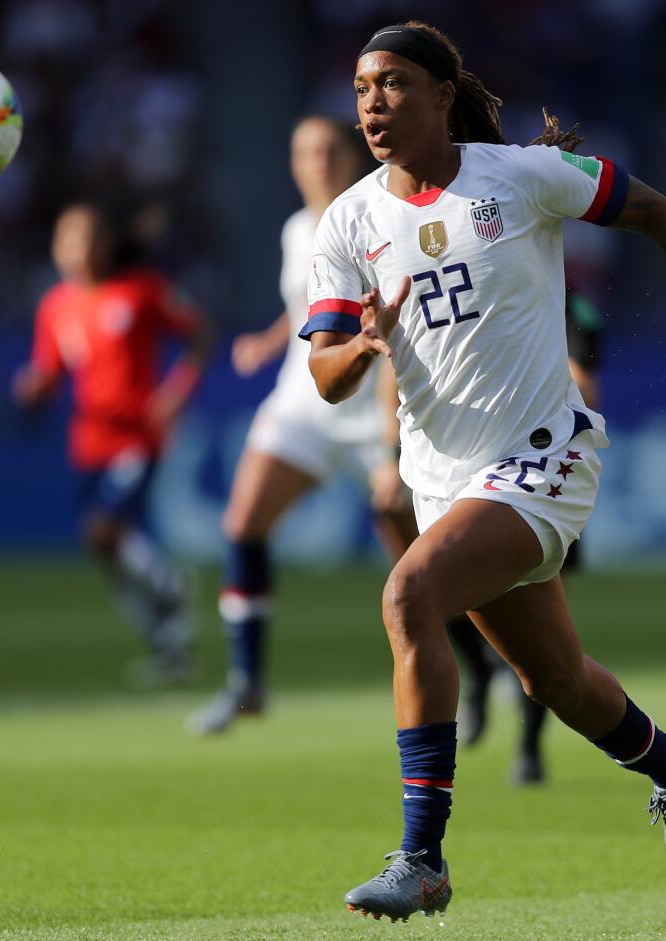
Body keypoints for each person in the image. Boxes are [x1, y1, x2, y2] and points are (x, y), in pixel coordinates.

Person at [301, 22, 666, 921]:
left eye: (390, 84)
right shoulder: (349, 221)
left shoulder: (522, 178)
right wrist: (366, 346)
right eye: (360, 88)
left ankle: (422, 856)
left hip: (544, 456)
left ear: (440, 94)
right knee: (557, 681)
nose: (372, 103)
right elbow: (325, 372)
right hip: (441, 479)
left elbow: (660, 213)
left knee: (406, 594)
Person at [189, 116, 422, 734]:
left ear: (350, 158)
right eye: (304, 152)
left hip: (376, 410)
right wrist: (270, 342)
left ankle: (482, 671)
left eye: (328, 151)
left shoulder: (378, 221)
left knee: (420, 572)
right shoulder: (298, 229)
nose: (317, 162)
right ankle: (246, 685)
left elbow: (391, 329)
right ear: (293, 164)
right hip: (303, 400)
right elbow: (311, 307)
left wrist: (389, 444)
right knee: (243, 524)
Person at [13, 204, 211, 682]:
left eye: (88, 237)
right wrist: (34, 387)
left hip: (137, 435)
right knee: (102, 545)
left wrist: (176, 392)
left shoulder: (140, 290)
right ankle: (170, 648)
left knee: (106, 530)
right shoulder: (56, 306)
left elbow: (200, 333)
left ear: (105, 243)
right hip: (88, 440)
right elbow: (51, 370)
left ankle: (173, 585)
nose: (77, 249)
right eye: (68, 238)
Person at [450, 288, 605, 786]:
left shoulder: (574, 308)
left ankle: (529, 749)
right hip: (470, 465)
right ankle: (476, 675)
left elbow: (586, 385)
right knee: (444, 591)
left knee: (543, 637)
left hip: (542, 471)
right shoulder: (483, 283)